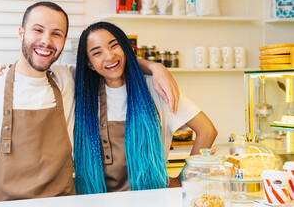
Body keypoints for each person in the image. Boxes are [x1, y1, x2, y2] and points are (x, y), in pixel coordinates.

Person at [0, 2, 180, 204]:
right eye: (38, 30)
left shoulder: (68, 79)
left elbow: (108, 63)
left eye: (56, 34)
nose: (46, 41)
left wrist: (154, 67)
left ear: (63, 42)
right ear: (21, 33)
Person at [72, 22, 217, 194]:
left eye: (114, 46)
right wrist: (153, 65)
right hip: (97, 201)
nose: (109, 56)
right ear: (89, 64)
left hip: (151, 200)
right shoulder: (82, 96)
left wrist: (184, 179)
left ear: (125, 48)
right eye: (97, 53)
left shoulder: (155, 86)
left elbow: (207, 130)